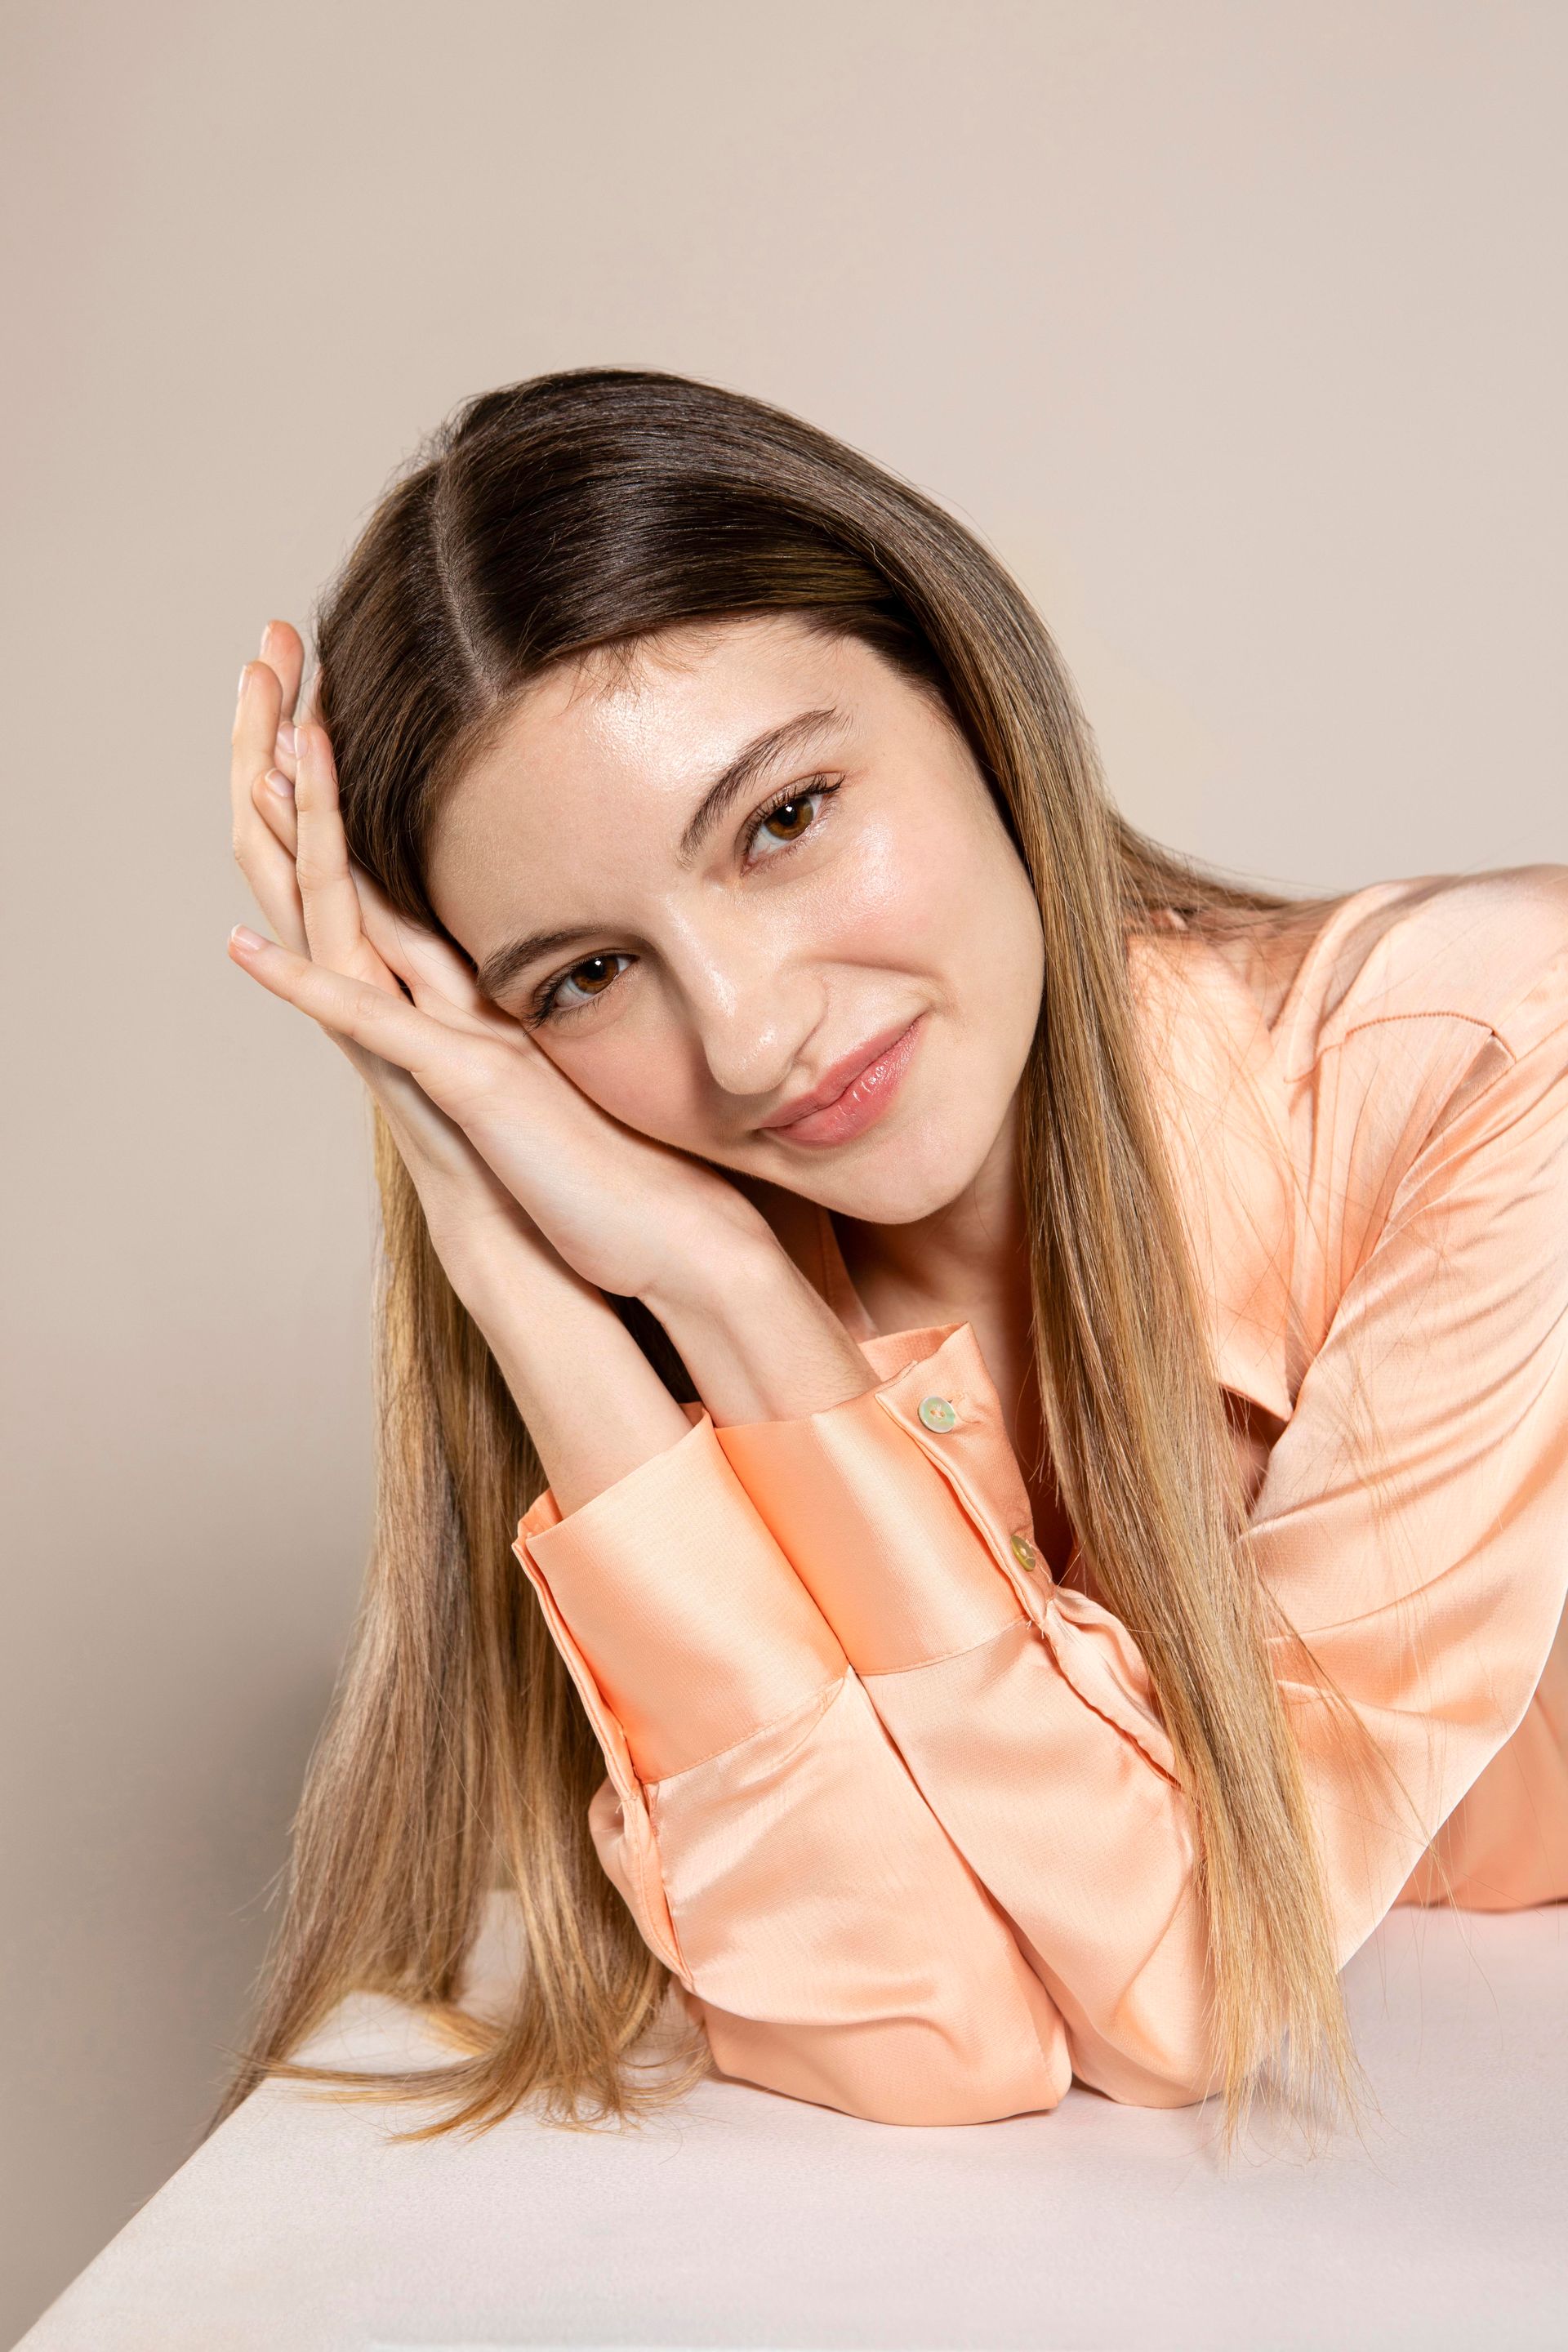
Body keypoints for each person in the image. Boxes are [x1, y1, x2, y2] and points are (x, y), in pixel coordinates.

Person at [216, 366, 1568, 2158]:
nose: (754, 1034)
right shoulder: (698, 1271)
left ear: (968, 692)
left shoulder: (1491, 1051)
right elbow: (929, 2036)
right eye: (584, 979)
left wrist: (746, 1306)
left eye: (784, 818)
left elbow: (1202, 1986)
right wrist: (535, 1253)